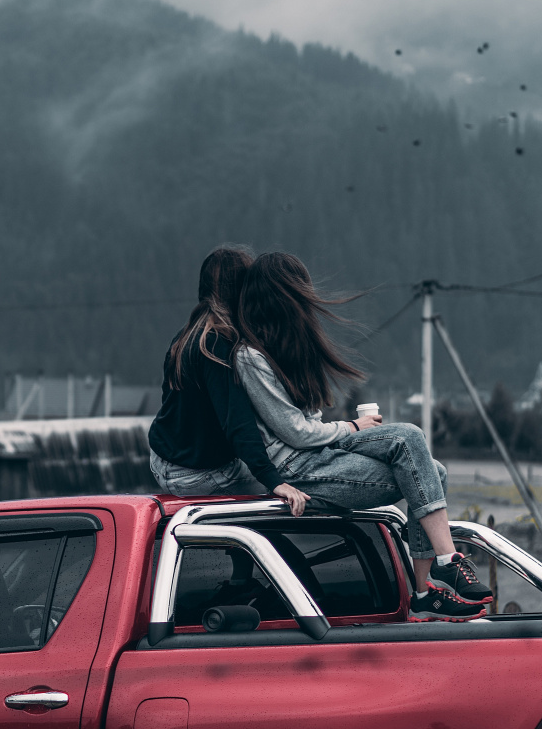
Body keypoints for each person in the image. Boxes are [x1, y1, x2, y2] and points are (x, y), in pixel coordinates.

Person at [236, 252, 492, 621]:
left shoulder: (287, 347)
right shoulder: (250, 358)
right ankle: (445, 561)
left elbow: (308, 423)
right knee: (420, 459)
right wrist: (353, 428)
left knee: (425, 462)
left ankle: (425, 588)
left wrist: (343, 430)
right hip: (296, 466)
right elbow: (292, 431)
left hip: (318, 449)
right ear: (280, 296)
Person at [148, 247, 308, 516]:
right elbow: (238, 423)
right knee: (299, 482)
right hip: (196, 474)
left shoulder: (186, 336)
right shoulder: (217, 346)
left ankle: (241, 550)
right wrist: (275, 482)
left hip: (163, 461)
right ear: (241, 291)